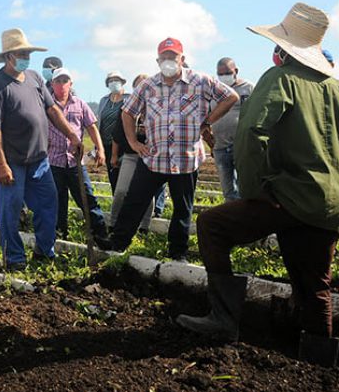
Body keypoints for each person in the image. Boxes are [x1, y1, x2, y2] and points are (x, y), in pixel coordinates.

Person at [176, 3, 339, 367]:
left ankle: (223, 320)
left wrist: (258, 190)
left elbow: (250, 134)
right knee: (315, 285)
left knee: (212, 225)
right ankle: (319, 363)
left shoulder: (279, 79)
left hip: (287, 196)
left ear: (284, 49)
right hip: (330, 203)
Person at [105, 37, 238, 260]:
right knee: (134, 201)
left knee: (182, 209)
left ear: (182, 58)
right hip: (154, 158)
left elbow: (230, 97)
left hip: (186, 160)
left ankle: (178, 252)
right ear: (157, 61)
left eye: (172, 57)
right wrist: (135, 143)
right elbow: (127, 112)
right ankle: (118, 243)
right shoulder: (148, 86)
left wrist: (207, 122)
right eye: (164, 57)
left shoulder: (200, 81)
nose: (168, 61)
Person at [0, 28, 82, 272]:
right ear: (8, 56)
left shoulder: (35, 78)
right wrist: (2, 165)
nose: (26, 56)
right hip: (13, 161)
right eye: (21, 53)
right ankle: (15, 259)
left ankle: (43, 251)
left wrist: (71, 134)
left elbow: (52, 110)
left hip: (40, 159)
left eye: (27, 52)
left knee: (49, 203)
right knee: (11, 211)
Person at [47, 68, 108, 241]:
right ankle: (60, 234)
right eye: (58, 81)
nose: (61, 85)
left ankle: (100, 233)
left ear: (70, 84)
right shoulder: (47, 105)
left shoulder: (79, 104)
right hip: (54, 161)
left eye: (65, 81)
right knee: (57, 201)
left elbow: (92, 127)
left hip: (76, 162)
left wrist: (100, 149)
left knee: (87, 198)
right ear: (52, 84)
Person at [109, 74, 157, 233]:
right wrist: (114, 155)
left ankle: (144, 226)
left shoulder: (157, 107)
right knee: (121, 190)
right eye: (138, 86)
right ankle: (113, 223)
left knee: (147, 193)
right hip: (130, 155)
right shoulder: (127, 107)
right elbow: (117, 134)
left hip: (149, 156)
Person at [212, 57, 254, 201]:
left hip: (241, 147)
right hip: (220, 147)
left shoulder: (248, 88)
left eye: (227, 73)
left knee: (245, 187)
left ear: (235, 71)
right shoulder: (214, 90)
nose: (224, 77)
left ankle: (246, 218)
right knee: (228, 190)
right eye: (220, 74)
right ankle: (233, 220)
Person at [97, 71, 129, 193]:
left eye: (116, 80)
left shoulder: (129, 98)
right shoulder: (104, 100)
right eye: (110, 81)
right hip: (106, 145)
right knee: (113, 178)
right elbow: (100, 122)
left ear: (122, 82)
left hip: (124, 145)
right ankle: (117, 207)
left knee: (125, 179)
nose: (113, 83)